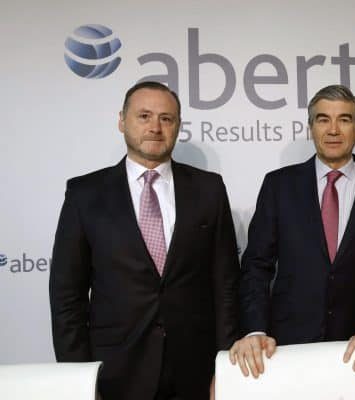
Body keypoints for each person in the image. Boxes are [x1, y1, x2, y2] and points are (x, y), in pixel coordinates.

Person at [49, 81, 240, 400]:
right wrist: (78, 379)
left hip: (195, 369)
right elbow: (68, 295)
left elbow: (226, 284)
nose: (155, 127)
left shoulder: (209, 189)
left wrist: (225, 368)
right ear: (122, 120)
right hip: (115, 371)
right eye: (144, 116)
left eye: (166, 118)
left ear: (178, 126)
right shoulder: (85, 194)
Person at [229, 84, 355, 378]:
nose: (333, 130)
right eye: (323, 119)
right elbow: (256, 266)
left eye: (344, 119)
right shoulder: (279, 186)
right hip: (284, 349)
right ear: (310, 127)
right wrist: (255, 329)